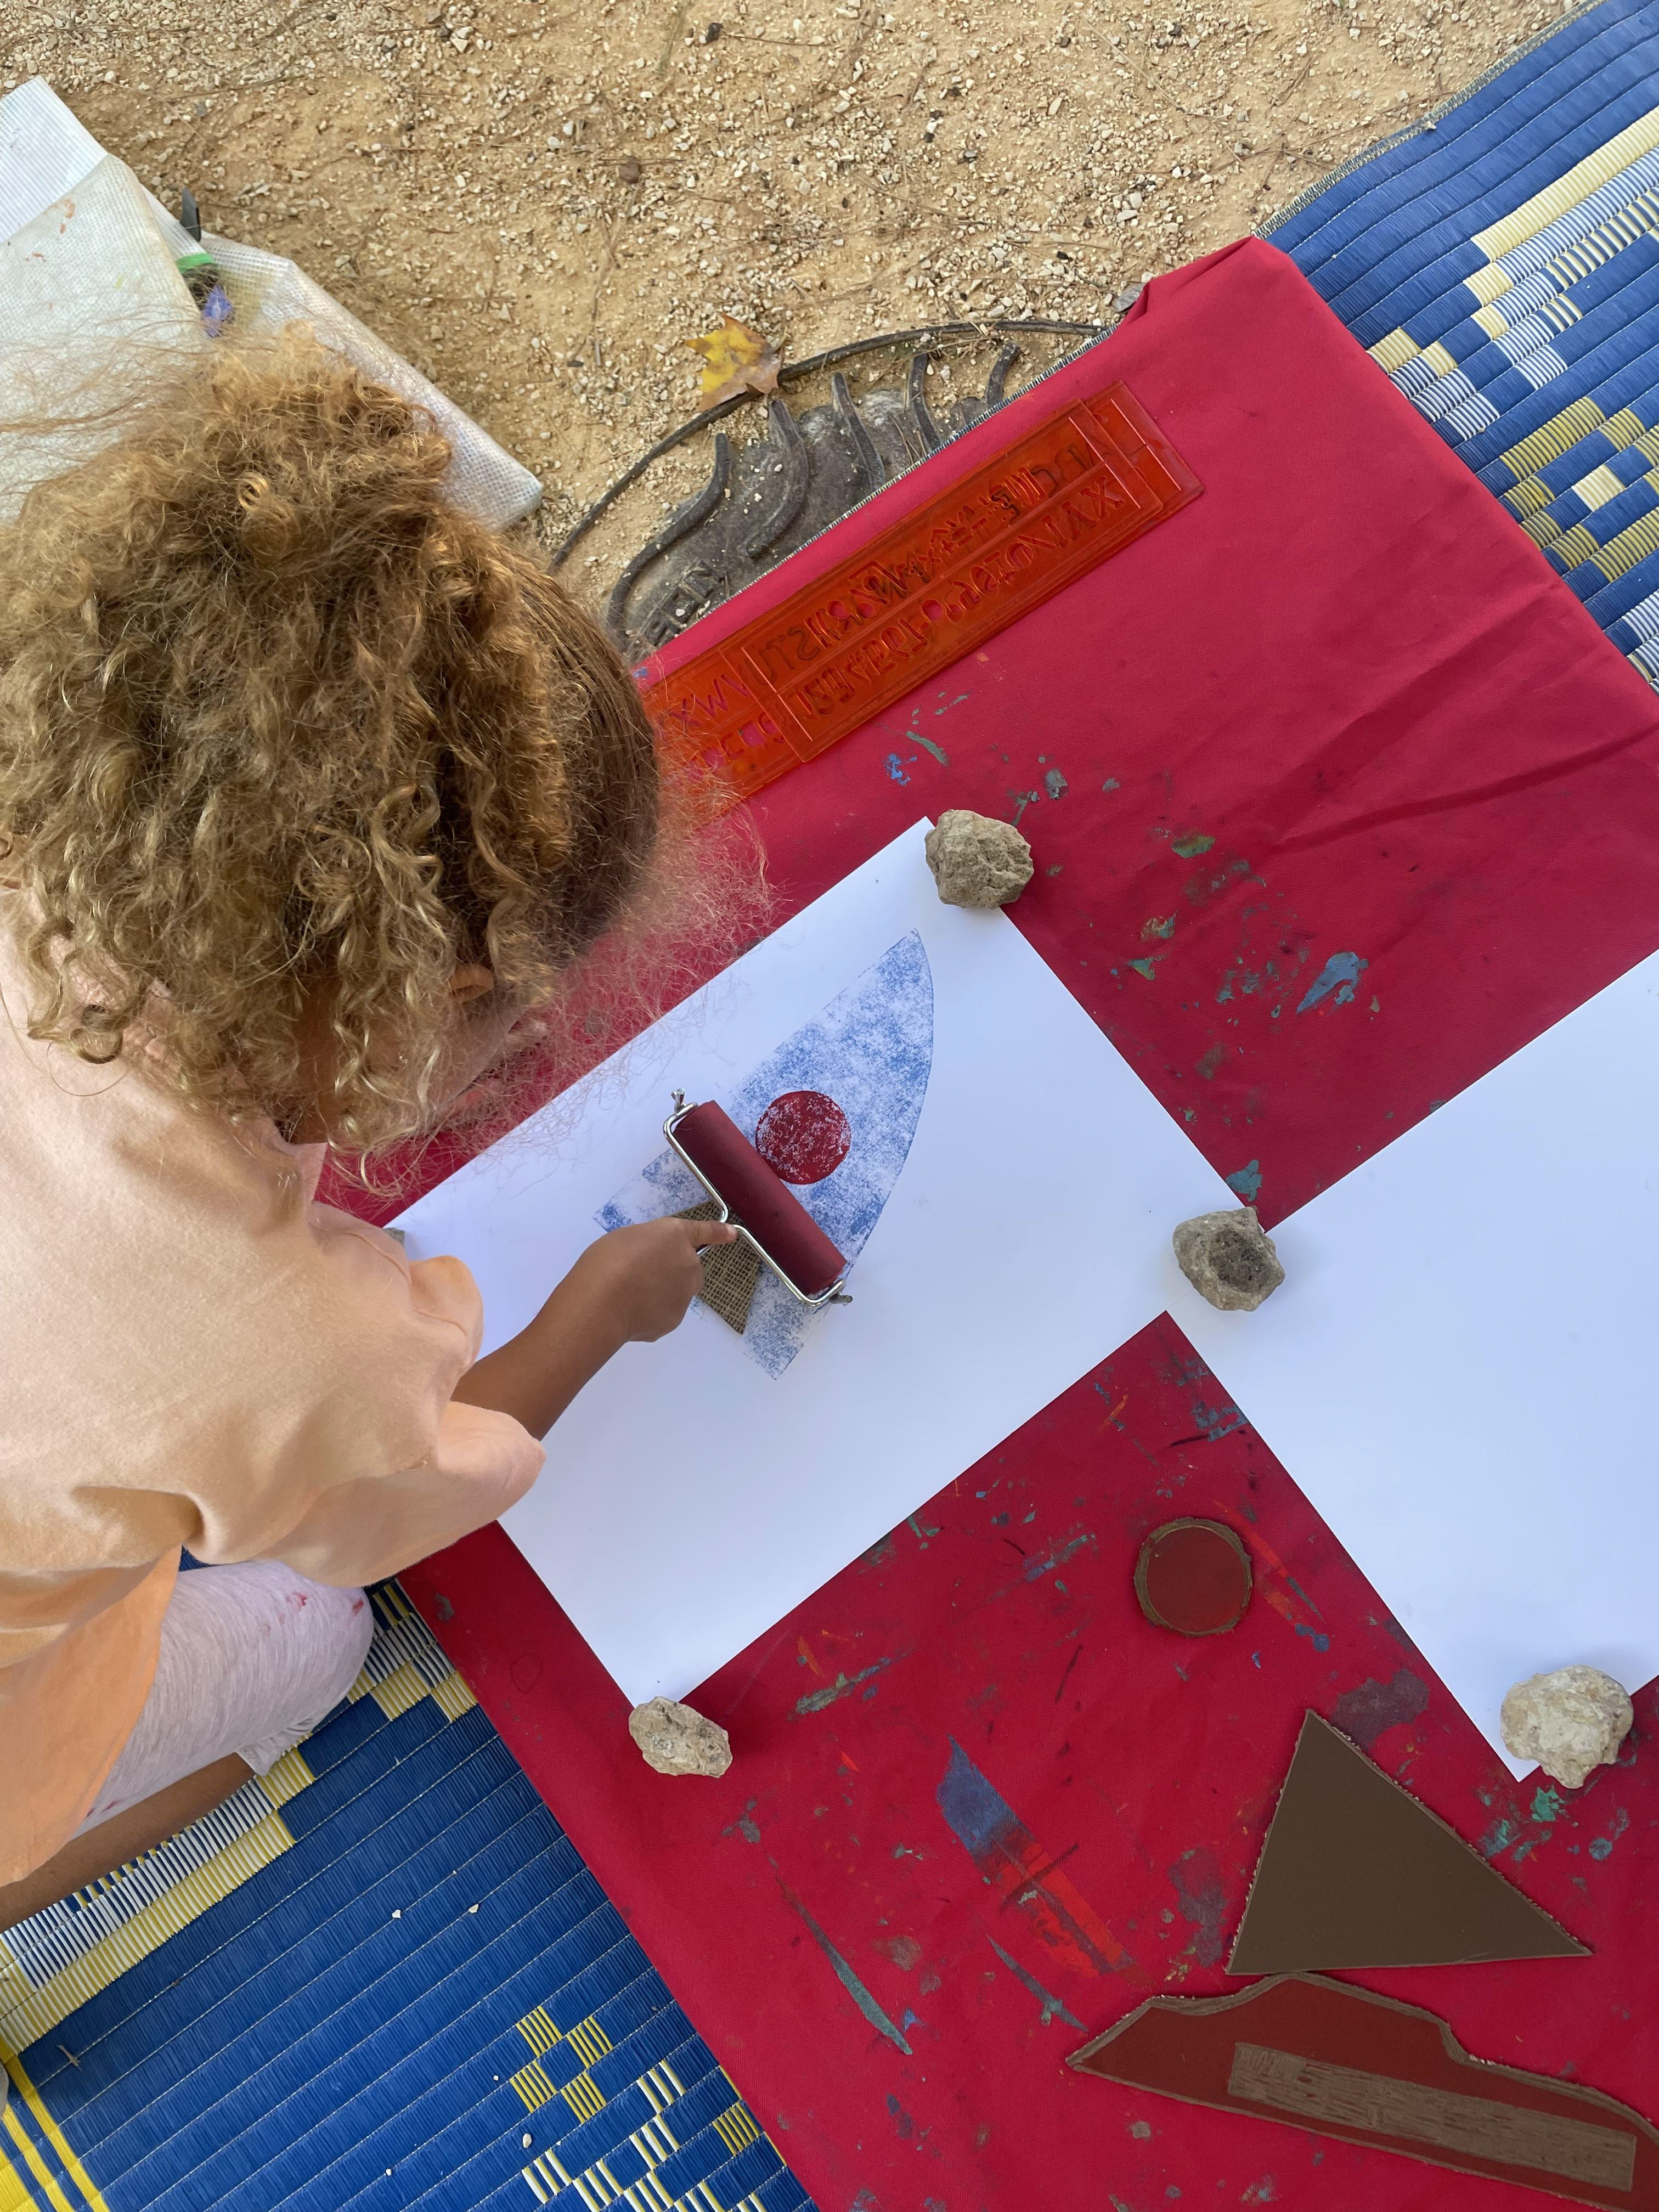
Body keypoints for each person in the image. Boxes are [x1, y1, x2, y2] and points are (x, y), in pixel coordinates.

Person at [0, 339, 738, 1925]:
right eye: (498, 1024)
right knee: (315, 1640)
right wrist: (601, 1310)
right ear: (418, 995)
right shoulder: (279, 1345)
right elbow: (400, 1492)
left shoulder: (47, 828)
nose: (513, 1056)